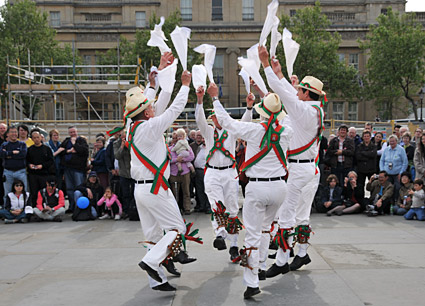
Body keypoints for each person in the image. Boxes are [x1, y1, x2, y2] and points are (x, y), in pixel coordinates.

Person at [209, 81, 292, 299]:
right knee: (266, 228)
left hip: (257, 187)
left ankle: (252, 282)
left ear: (262, 112)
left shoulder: (254, 130)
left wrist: (215, 98)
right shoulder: (287, 132)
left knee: (253, 235)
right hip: (279, 187)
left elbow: (227, 122)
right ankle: (262, 265)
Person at [126, 62, 199, 291]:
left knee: (152, 235)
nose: (154, 108)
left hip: (141, 189)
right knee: (177, 230)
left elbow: (155, 103)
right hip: (156, 189)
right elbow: (173, 109)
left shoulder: (132, 126)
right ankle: (150, 261)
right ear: (147, 113)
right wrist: (185, 86)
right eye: (151, 107)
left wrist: (153, 84)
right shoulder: (150, 127)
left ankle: (157, 280)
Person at [260, 45, 326, 275]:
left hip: (300, 170)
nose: (297, 92)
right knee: (298, 215)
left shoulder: (306, 112)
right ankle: (300, 253)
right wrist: (279, 75)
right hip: (306, 169)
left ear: (307, 94)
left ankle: (281, 261)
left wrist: (267, 66)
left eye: (300, 90)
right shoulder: (314, 110)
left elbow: (287, 97)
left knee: (288, 215)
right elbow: (290, 98)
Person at [195, 86, 252, 261]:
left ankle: (234, 246)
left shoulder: (232, 131)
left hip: (229, 173)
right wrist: (199, 100)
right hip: (212, 172)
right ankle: (220, 234)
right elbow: (199, 120)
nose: (214, 118)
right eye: (212, 116)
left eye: (216, 115)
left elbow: (244, 123)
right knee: (216, 205)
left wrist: (249, 107)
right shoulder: (208, 132)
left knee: (233, 208)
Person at [57, 126, 89, 213]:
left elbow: (84, 151)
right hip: (68, 169)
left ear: (77, 132)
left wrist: (75, 144)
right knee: (69, 189)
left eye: (74, 132)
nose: (72, 134)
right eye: (71, 132)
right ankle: (72, 206)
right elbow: (61, 151)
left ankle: (79, 206)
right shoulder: (66, 141)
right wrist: (69, 151)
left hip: (78, 169)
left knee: (79, 188)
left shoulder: (81, 141)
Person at [26, 130, 55, 207]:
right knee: (34, 192)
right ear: (32, 139)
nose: (36, 139)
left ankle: (44, 207)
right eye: (34, 138)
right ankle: (35, 208)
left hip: (44, 175)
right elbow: (26, 161)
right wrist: (29, 165)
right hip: (33, 175)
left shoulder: (46, 149)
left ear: (41, 138)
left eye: (38, 137)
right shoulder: (29, 150)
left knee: (44, 192)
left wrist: (42, 165)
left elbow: (51, 161)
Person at [169, 128, 194, 214]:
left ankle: (187, 208)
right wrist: (176, 160)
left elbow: (191, 157)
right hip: (174, 173)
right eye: (174, 138)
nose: (176, 139)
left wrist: (182, 159)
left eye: (177, 137)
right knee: (174, 193)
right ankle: (175, 209)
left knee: (186, 191)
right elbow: (168, 160)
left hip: (185, 172)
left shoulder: (187, 146)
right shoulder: (170, 149)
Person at [0, 126, 28, 203]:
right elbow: (1, 154)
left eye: (15, 132)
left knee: (24, 191)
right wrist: (13, 152)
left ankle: (25, 208)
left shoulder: (22, 144)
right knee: (7, 193)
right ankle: (7, 210)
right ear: (8, 134)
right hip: (8, 172)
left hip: (20, 171)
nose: (14, 134)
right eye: (12, 132)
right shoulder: (4, 145)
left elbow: (22, 155)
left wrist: (8, 155)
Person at [379, 135, 408, 202]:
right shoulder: (386, 150)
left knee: (397, 188)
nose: (392, 143)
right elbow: (382, 161)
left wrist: (401, 173)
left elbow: (405, 162)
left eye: (393, 141)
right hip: (387, 174)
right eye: (390, 141)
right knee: (387, 189)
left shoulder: (401, 149)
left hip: (397, 174)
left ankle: (396, 202)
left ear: (396, 141)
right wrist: (382, 171)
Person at [113, 130, 133, 218]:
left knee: (134, 193)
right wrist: (122, 146)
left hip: (133, 172)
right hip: (123, 172)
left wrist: (129, 146)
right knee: (125, 194)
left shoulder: (133, 142)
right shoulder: (116, 143)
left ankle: (134, 210)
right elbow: (117, 156)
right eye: (123, 137)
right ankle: (126, 211)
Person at [190, 130, 210, 213]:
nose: (203, 140)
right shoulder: (200, 147)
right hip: (197, 171)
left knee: (207, 190)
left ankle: (208, 206)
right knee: (199, 190)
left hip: (205, 170)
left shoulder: (209, 148)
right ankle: (202, 206)